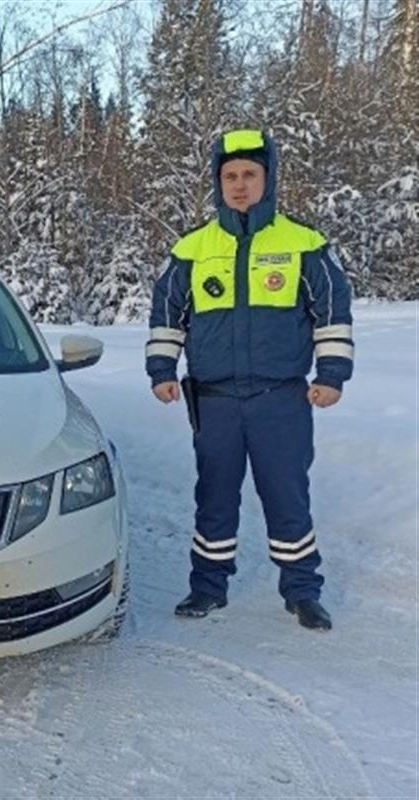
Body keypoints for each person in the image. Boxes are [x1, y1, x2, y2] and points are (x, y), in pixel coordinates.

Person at [145, 128, 353, 632]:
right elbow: (168, 313)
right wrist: (161, 370)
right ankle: (207, 588)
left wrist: (331, 375)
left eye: (250, 175)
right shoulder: (193, 248)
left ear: (268, 178)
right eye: (230, 176)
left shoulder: (302, 243)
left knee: (287, 495)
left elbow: (331, 312)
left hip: (280, 399)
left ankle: (302, 592)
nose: (240, 185)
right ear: (219, 183)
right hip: (215, 401)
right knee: (214, 495)